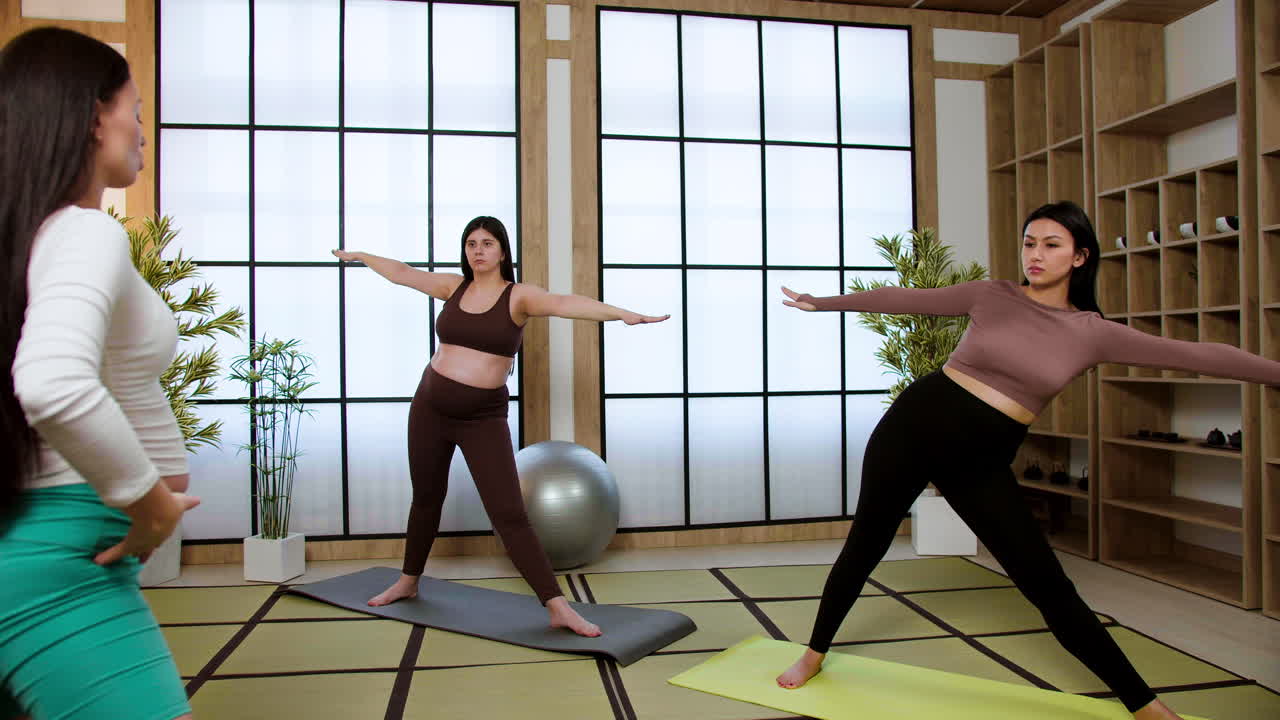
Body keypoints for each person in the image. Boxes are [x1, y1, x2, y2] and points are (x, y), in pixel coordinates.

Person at [774, 201, 1280, 720]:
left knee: (1046, 583)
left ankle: (1145, 705)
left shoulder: (1092, 332)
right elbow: (904, 297)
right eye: (1029, 243)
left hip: (982, 460)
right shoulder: (993, 294)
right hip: (910, 430)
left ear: (1080, 257)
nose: (1035, 255)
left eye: (1051, 245)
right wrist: (825, 302)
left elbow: (1199, 355)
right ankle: (814, 653)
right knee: (865, 546)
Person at [333, 217, 667, 636]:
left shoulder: (518, 296)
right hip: (430, 407)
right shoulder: (453, 288)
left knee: (509, 513)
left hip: (482, 417)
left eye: (487, 243)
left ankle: (557, 605)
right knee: (426, 499)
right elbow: (402, 273)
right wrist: (362, 256)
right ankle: (408, 580)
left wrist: (621, 315)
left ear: (502, 252)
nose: (478, 250)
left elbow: (564, 303)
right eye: (471, 243)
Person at [1, 27, 201, 720]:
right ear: (94, 116)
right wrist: (149, 510)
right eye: (136, 109)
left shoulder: (31, 234)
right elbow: (53, 382)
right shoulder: (85, 231)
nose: (143, 130)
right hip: (62, 567)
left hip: (40, 546)